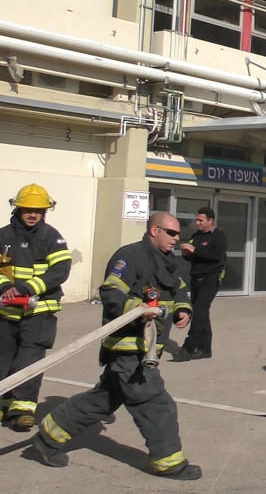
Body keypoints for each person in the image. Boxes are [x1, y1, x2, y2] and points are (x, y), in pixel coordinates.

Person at [28, 212, 201, 480]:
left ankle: (47, 438)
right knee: (156, 404)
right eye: (172, 233)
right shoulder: (130, 256)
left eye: (178, 234)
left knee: (102, 400)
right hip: (127, 347)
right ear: (154, 230)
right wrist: (138, 310)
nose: (177, 239)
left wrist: (182, 309)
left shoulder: (165, 261)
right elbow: (110, 291)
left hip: (147, 347)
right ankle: (170, 463)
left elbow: (177, 289)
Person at [0, 184, 71, 432]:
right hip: (6, 310)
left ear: (45, 212)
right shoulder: (4, 236)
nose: (33, 214)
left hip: (39, 309)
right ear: (18, 210)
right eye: (28, 209)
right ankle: (3, 402)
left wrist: (28, 288)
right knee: (3, 358)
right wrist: (4, 287)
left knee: (30, 359)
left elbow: (60, 270)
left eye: (38, 210)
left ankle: (22, 410)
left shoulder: (52, 237)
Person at [177, 206, 227, 361]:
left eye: (200, 220)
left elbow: (216, 256)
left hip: (210, 278)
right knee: (202, 315)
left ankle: (189, 347)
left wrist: (195, 250)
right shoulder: (196, 236)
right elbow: (193, 256)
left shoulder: (218, 236)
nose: (197, 223)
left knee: (199, 311)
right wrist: (187, 253)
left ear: (210, 221)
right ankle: (205, 349)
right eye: (196, 220)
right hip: (196, 278)